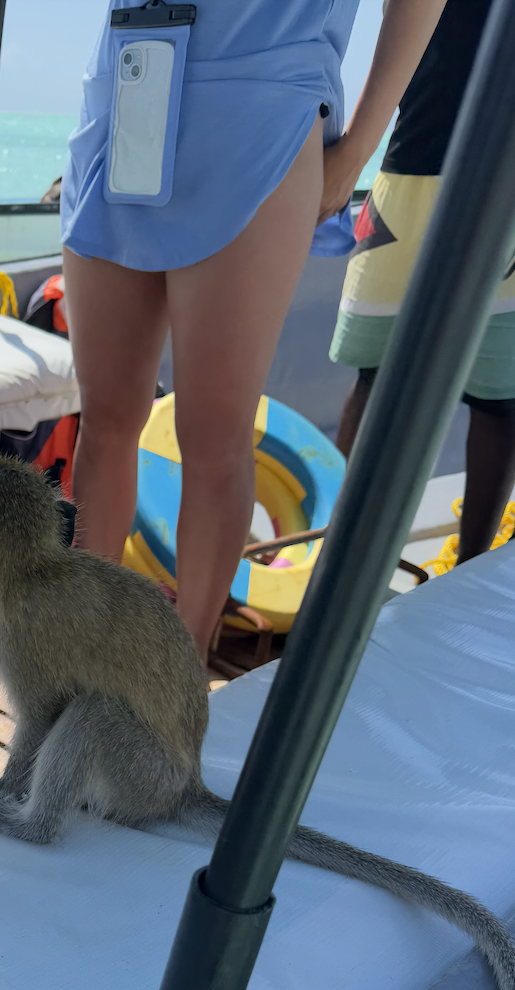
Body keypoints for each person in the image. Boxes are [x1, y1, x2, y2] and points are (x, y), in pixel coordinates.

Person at [59, 0, 450, 662]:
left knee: (213, 438)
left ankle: (179, 685)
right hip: (126, 94)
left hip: (262, 119)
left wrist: (358, 148)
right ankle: (76, 664)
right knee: (105, 420)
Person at [331, 0, 515, 567]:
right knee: (376, 377)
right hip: (411, 166)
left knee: (501, 399)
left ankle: (470, 569)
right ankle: (332, 555)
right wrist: (352, 152)